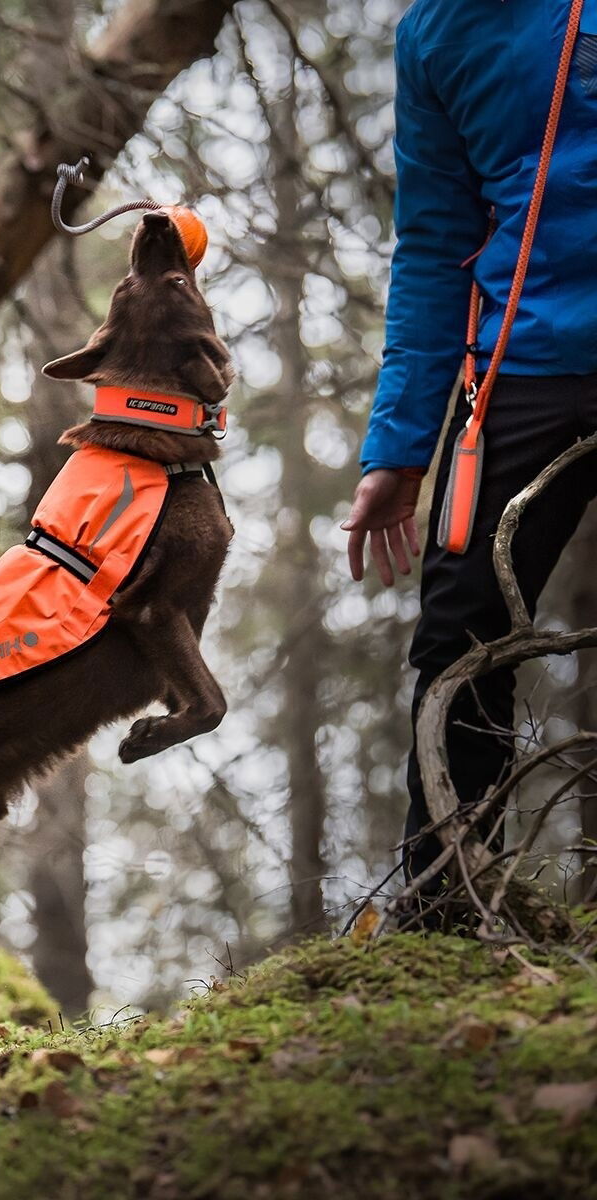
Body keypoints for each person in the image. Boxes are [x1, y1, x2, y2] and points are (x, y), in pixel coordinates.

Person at [342, 0, 597, 892]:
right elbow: (433, 245)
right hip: (519, 369)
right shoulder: (433, 33)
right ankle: (445, 900)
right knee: (458, 624)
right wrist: (399, 449)